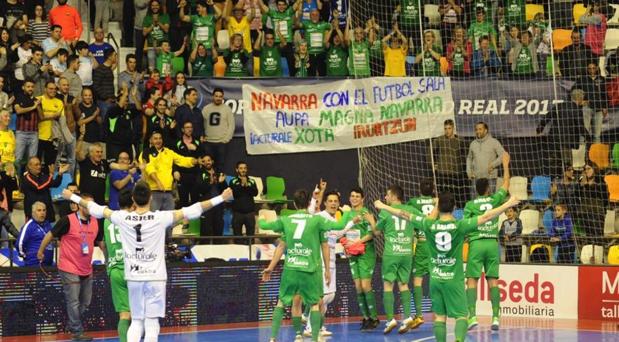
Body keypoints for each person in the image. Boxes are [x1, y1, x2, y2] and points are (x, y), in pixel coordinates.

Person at [63, 182, 233, 342]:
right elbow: (194, 209)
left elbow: (96, 209)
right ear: (151, 198)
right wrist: (221, 198)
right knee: (151, 322)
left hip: (134, 276)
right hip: (155, 277)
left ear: (133, 200)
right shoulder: (161, 218)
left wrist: (73, 197)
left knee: (136, 321)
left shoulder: (122, 218)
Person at [375, 192, 520, 342]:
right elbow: (486, 217)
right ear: (455, 207)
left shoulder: (428, 224)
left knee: (439, 317)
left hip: (436, 279)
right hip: (454, 280)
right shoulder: (460, 226)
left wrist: (383, 206)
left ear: (437, 207)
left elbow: (403, 214)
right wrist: (508, 204)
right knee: (461, 316)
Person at [258, 189, 354, 342]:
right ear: (309, 202)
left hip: (291, 269)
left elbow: (268, 229)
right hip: (310, 270)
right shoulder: (317, 220)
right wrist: (348, 212)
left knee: (281, 302)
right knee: (315, 304)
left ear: (294, 204)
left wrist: (261, 218)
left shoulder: (285, 219)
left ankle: (272, 338)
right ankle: (314, 338)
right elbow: (340, 224)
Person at [37, 193, 102, 342]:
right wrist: (40, 251)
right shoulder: (67, 220)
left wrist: (108, 256)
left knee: (86, 302)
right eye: (86, 204)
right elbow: (50, 234)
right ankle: (77, 332)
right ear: (79, 205)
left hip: (86, 267)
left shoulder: (95, 222)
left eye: (92, 205)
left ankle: (72, 324)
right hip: (69, 266)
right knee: (73, 301)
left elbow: (100, 241)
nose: (89, 207)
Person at [464, 152, 510, 331]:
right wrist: (505, 164)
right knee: (493, 282)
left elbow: (466, 227)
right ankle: (496, 318)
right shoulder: (494, 199)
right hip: (492, 243)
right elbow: (506, 185)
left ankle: (472, 316)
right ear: (488, 189)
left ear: (476, 190)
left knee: (472, 281)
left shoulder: (470, 205)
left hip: (476, 244)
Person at [371, 185, 418, 334]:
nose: (385, 198)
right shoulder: (411, 210)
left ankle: (390, 319)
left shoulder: (385, 211)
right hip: (406, 252)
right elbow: (423, 221)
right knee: (404, 284)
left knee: (388, 285)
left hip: (392, 252)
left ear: (393, 196)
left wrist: (371, 220)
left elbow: (376, 232)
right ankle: (407, 318)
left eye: (387, 195)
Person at [341, 187, 379, 330]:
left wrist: (358, 242)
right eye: (352, 196)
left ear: (362, 199)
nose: (354, 198)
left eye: (357, 196)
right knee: (358, 287)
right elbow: (343, 232)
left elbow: (372, 234)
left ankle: (374, 318)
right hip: (352, 254)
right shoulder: (346, 215)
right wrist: (345, 244)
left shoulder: (366, 213)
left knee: (365, 286)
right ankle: (366, 317)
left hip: (366, 253)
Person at [139, 131, 197, 211]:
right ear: (150, 141)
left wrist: (194, 161)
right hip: (153, 191)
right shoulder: (145, 152)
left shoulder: (169, 152)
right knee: (155, 219)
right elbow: (149, 168)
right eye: (155, 139)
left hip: (168, 191)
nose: (158, 141)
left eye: (160, 138)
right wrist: (158, 182)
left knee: (169, 220)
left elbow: (181, 159)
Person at [405, 178, 437, 329]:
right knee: (436, 279)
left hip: (422, 244)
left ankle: (419, 315)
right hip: (436, 245)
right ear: (433, 190)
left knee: (417, 280)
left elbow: (405, 215)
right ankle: (439, 314)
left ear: (419, 189)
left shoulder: (413, 202)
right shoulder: (437, 201)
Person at [103, 189, 134, 342]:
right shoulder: (133, 219)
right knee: (138, 315)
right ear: (133, 203)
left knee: (124, 314)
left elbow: (103, 244)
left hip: (115, 269)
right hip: (132, 269)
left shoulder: (107, 221)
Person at [537, 88, 588, 177]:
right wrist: (588, 137)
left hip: (554, 140)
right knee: (567, 166)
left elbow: (547, 117)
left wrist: (540, 128)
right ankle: (565, 184)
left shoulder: (559, 106)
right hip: (567, 142)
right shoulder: (577, 110)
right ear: (579, 99)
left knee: (555, 163)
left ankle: (556, 181)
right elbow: (580, 127)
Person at [466, 121, 505, 199]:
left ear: (486, 130)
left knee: (489, 201)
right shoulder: (473, 144)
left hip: (490, 178)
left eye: (480, 129)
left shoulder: (494, 142)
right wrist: (469, 171)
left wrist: (493, 164)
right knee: (474, 201)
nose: (478, 131)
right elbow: (469, 158)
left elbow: (503, 155)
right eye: (476, 129)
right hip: (476, 178)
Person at [432, 119, 467, 206]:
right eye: (445, 128)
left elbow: (466, 155)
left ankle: (458, 212)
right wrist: (433, 164)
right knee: (444, 195)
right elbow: (430, 153)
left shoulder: (460, 140)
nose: (447, 131)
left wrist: (461, 165)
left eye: (449, 128)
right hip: (443, 173)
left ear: (453, 128)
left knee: (457, 194)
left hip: (456, 173)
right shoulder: (439, 140)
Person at [258, 0, 297, 76]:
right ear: (277, 6)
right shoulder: (273, 13)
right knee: (276, 64)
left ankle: (292, 81)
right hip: (276, 43)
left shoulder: (289, 12)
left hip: (288, 43)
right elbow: (262, 5)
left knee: (291, 65)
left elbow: (298, 3)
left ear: (286, 6)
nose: (281, 6)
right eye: (279, 5)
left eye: (283, 5)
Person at [202, 88, 234, 172]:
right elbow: (201, 123)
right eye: (216, 96)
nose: (218, 98)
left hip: (221, 143)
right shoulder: (206, 108)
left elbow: (231, 125)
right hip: (208, 142)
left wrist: (226, 139)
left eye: (220, 96)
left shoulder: (227, 109)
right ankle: (209, 183)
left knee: (220, 166)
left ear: (223, 97)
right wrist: (202, 136)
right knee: (207, 166)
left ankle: (219, 183)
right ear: (213, 96)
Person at [574, 62, 608, 144]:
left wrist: (605, 107)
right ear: (587, 69)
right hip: (586, 109)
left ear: (596, 68)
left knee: (597, 136)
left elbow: (605, 94)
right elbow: (573, 91)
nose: (591, 70)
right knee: (583, 134)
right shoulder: (582, 79)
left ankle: (595, 156)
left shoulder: (602, 79)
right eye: (589, 68)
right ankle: (581, 156)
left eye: (593, 68)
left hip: (599, 109)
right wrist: (580, 101)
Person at [195, 154, 226, 237]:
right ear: (202, 163)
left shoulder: (219, 173)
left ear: (212, 161)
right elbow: (199, 189)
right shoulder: (200, 174)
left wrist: (221, 182)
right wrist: (210, 183)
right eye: (204, 161)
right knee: (205, 233)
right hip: (206, 207)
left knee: (218, 232)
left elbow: (225, 189)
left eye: (208, 160)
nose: (207, 162)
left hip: (218, 207)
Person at [174, 122, 203, 210]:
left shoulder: (197, 142)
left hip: (195, 174)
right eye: (187, 127)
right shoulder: (177, 142)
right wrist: (175, 170)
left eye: (191, 127)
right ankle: (184, 223)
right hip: (182, 175)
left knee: (195, 202)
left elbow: (203, 157)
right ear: (182, 129)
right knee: (183, 202)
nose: (189, 129)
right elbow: (173, 158)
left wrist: (196, 149)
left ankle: (195, 223)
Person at [14, 79, 40, 171]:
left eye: (32, 87)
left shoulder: (36, 100)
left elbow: (42, 116)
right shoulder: (18, 97)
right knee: (18, 159)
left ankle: (28, 182)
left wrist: (38, 106)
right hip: (21, 133)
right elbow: (18, 110)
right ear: (23, 87)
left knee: (32, 161)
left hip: (34, 133)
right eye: (28, 86)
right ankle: (15, 181)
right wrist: (33, 107)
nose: (30, 88)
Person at [37, 81, 63, 168]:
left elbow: (60, 118)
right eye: (50, 89)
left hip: (53, 138)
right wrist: (53, 115)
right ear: (45, 89)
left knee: (50, 164)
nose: (53, 91)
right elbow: (38, 118)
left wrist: (45, 115)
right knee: (37, 162)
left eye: (55, 89)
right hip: (38, 136)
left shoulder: (59, 102)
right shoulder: (38, 100)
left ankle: (49, 181)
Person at [17, 202, 52, 266]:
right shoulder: (29, 226)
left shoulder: (48, 224)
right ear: (33, 212)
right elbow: (19, 243)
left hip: (48, 262)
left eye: (44, 210)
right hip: (34, 263)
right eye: (39, 210)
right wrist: (25, 256)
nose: (42, 213)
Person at [229, 161, 258, 240]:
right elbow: (234, 194)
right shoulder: (233, 181)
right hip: (237, 214)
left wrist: (246, 186)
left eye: (245, 168)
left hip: (250, 213)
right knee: (237, 238)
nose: (243, 170)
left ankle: (251, 252)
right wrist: (242, 185)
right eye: (241, 168)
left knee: (250, 238)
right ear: (237, 170)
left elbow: (255, 193)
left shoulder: (251, 181)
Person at [143, 0, 170, 71]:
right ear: (150, 7)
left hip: (163, 47)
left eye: (156, 5)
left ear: (159, 6)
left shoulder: (165, 16)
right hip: (151, 46)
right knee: (152, 68)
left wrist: (158, 22)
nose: (155, 7)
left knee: (163, 68)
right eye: (153, 5)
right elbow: (144, 33)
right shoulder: (147, 18)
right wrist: (152, 25)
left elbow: (166, 30)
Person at [92, 48, 117, 120]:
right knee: (105, 124)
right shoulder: (100, 69)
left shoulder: (109, 69)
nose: (116, 57)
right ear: (109, 57)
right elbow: (96, 86)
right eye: (114, 55)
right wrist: (106, 97)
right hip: (104, 102)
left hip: (111, 101)